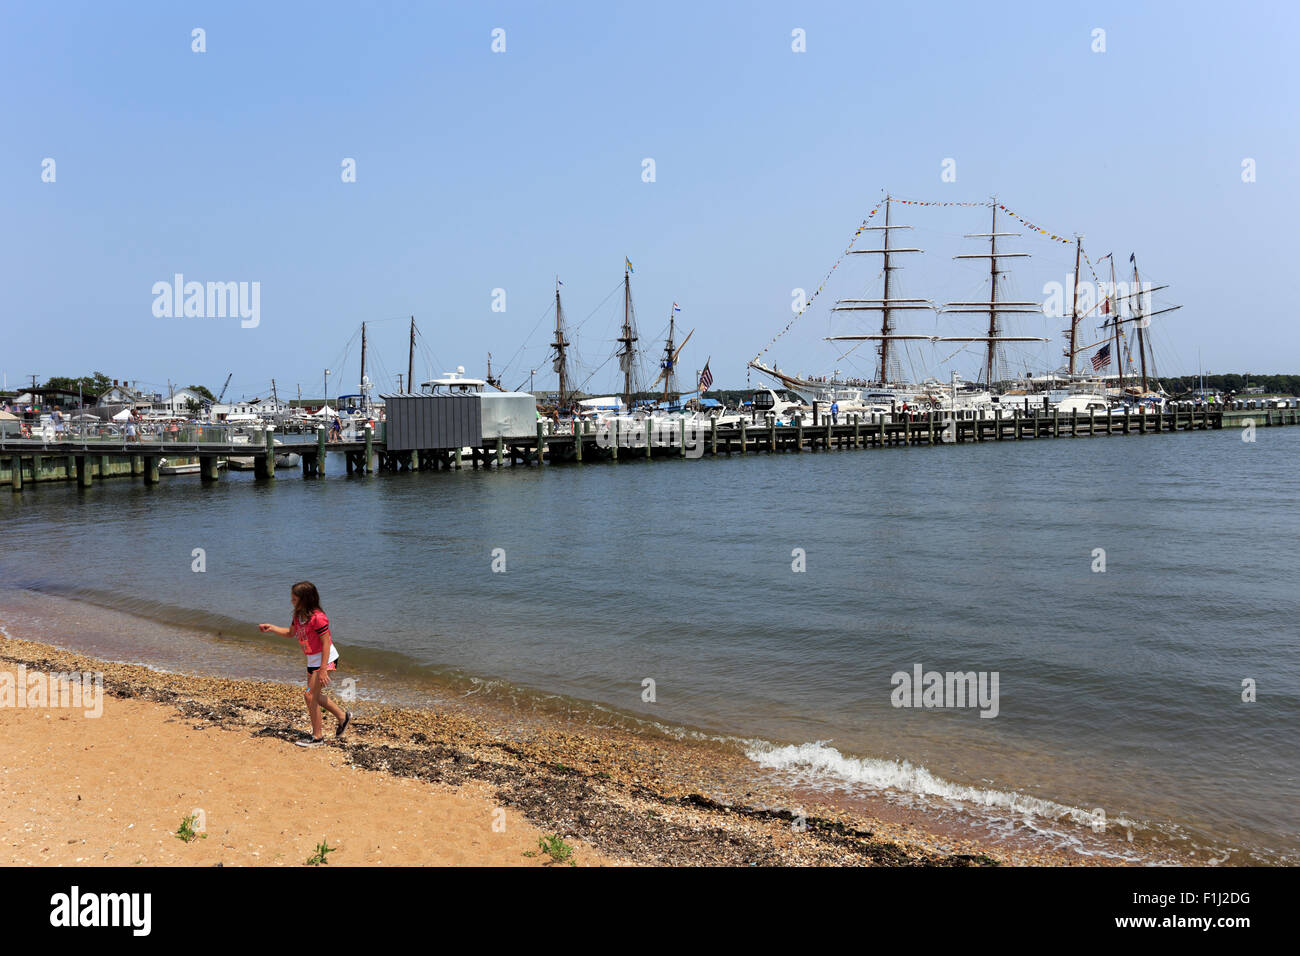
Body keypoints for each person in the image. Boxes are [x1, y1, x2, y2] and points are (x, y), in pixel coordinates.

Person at [259, 581, 350, 748]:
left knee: (309, 696)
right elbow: (290, 633)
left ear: (305, 599)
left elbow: (325, 644)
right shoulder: (298, 615)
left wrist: (323, 670)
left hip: (326, 659)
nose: (292, 602)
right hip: (312, 660)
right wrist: (271, 628)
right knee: (313, 695)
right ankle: (343, 717)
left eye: (295, 599)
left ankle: (318, 738)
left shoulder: (318, 618)